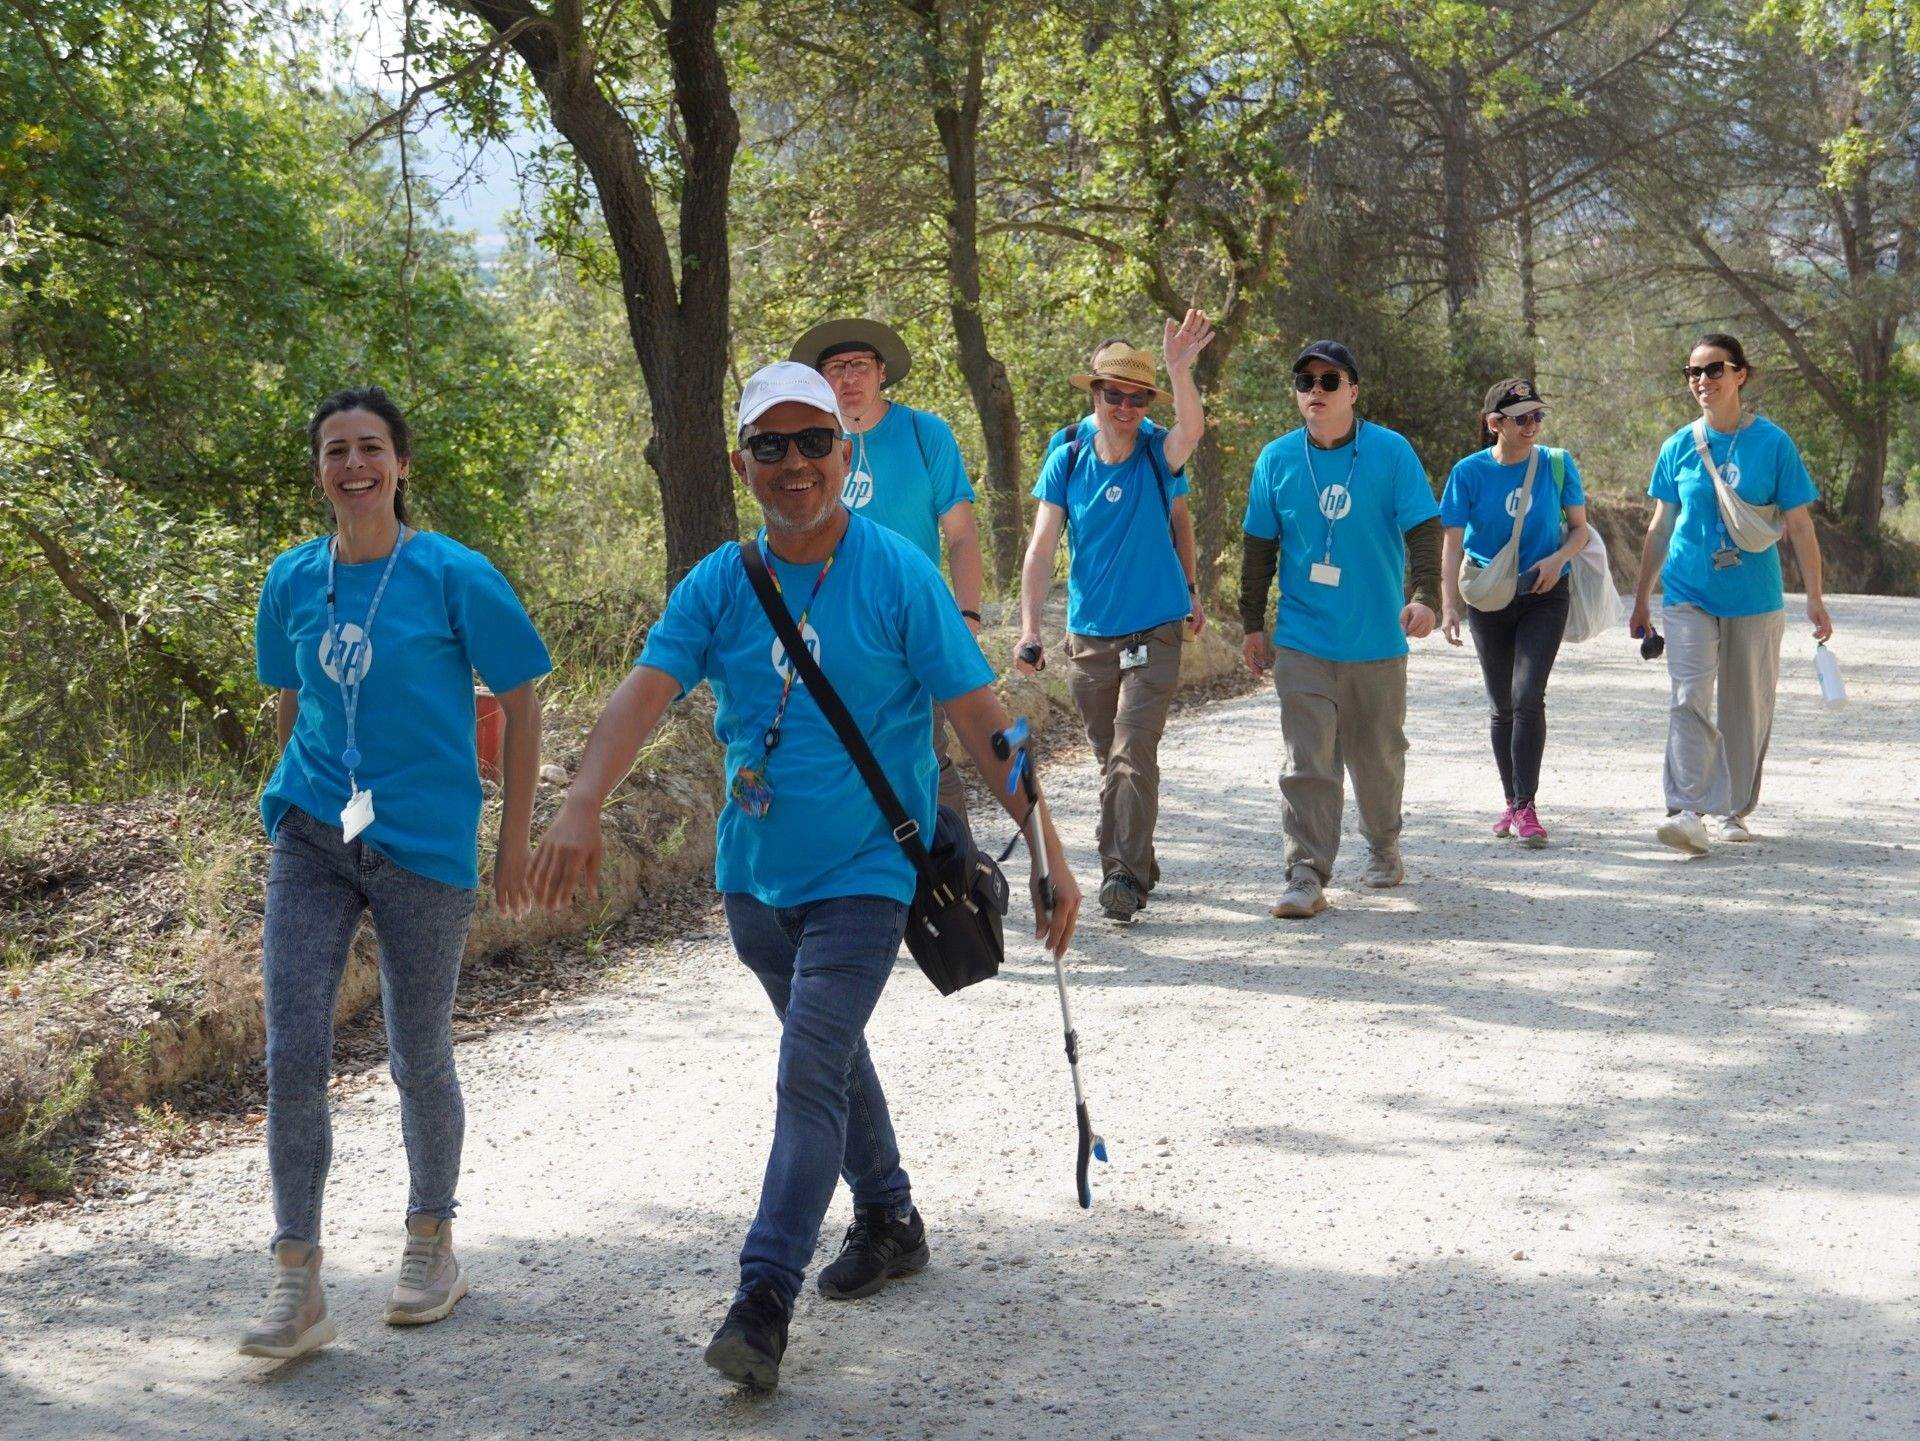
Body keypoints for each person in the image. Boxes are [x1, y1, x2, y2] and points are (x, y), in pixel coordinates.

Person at [527, 361, 1081, 1393]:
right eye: (770, 446)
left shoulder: (899, 574)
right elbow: (644, 691)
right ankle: (890, 1213)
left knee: (807, 1068)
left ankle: (762, 1298)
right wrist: (582, 799)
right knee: (828, 1057)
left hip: (870, 870)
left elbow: (979, 716)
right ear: (743, 465)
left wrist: (1045, 841)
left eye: (813, 441)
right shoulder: (719, 582)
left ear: (844, 450)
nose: (794, 463)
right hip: (755, 878)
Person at [241, 387, 551, 1358]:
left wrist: (511, 841)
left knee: (418, 1052)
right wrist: (295, 797)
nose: (354, 465)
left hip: (425, 840)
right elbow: (290, 699)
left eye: (371, 447)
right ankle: (297, 1275)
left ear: (402, 465)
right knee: (294, 1049)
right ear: (319, 470)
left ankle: (431, 1242)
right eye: (336, 450)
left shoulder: (454, 573)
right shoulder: (293, 578)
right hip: (312, 836)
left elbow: (524, 699)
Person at [1014, 312, 1213, 924]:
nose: (1125, 407)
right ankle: (1139, 853)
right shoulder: (1068, 456)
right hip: (1090, 635)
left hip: (1155, 627)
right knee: (1112, 756)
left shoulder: (1158, 451)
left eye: (1137, 397)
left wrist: (1178, 370)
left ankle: (1121, 874)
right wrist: (1029, 629)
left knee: (1131, 748)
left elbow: (1192, 432)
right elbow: (1042, 547)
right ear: (1095, 394)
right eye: (1113, 395)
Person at [1238, 340, 1443, 919]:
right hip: (1303, 637)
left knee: (1377, 756)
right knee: (1307, 761)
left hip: (1376, 638)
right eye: (1306, 382)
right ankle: (1305, 872)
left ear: (1353, 391)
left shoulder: (1390, 452)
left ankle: (1383, 844)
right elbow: (1258, 547)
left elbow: (1423, 529)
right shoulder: (1276, 459)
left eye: (1330, 381)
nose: (1317, 391)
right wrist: (1253, 624)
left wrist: (1426, 596)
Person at [1628, 333, 1833, 854]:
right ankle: (1686, 810)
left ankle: (1734, 810)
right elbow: (1660, 527)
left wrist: (1814, 597)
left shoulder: (1774, 444)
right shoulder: (1677, 446)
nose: (1702, 380)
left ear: (1740, 374)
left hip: (1755, 598)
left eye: (1714, 369)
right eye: (1693, 372)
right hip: (1688, 592)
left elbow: (1800, 526)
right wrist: (1642, 597)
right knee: (1688, 696)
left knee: (1747, 707)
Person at [791, 317, 984, 829]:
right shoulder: (806, 443)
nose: (848, 377)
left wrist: (966, 618)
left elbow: (961, 534)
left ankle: (953, 866)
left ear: (881, 372)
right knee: (836, 759)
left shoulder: (925, 433)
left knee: (926, 755)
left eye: (859, 365)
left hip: (914, 624)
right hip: (828, 629)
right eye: (835, 368)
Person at [1439, 379, 1594, 847]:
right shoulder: (1467, 473)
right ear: (1494, 424)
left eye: (1537, 416)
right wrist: (1448, 604)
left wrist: (1558, 559)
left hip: (1545, 594)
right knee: (1501, 704)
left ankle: (1527, 806)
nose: (1532, 425)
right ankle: (1510, 801)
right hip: (1488, 597)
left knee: (1527, 695)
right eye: (1521, 418)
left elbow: (1580, 530)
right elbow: (1452, 543)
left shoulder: (1557, 464)